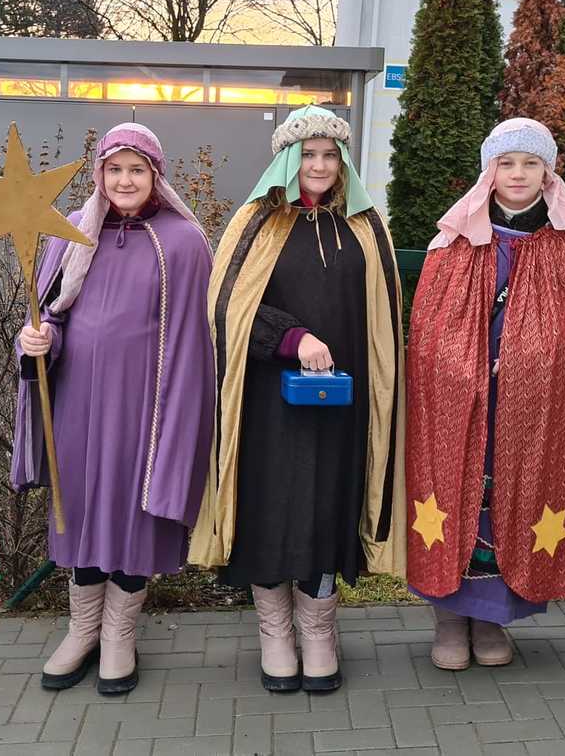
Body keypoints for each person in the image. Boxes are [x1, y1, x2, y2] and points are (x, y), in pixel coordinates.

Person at [189, 105, 406, 694]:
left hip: (342, 402)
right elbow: (226, 305)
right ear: (288, 159)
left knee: (327, 507)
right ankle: (275, 633)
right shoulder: (257, 220)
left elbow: (384, 317)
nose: (319, 165)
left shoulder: (365, 226)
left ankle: (319, 632)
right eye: (308, 154)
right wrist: (294, 338)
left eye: (330, 155)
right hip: (268, 404)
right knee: (271, 509)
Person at [11, 123, 214, 696]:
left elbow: (194, 338)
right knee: (79, 505)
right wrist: (38, 339)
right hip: (78, 400)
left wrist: (179, 411)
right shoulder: (73, 230)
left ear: (155, 175)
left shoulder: (183, 241)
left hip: (147, 406)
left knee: (132, 511)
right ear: (100, 173)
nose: (125, 180)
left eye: (136, 170)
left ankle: (119, 633)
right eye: (114, 169)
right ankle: (82, 630)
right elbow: (52, 311)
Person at [405, 118, 565, 670]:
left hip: (534, 407)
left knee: (512, 498)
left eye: (530, 163)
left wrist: (527, 362)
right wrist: (468, 365)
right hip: (462, 399)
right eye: (507, 163)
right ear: (489, 172)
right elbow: (429, 330)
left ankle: (493, 618)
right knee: (456, 494)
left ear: (548, 173)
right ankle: (450, 618)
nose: (518, 174)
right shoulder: (453, 240)